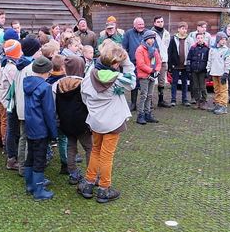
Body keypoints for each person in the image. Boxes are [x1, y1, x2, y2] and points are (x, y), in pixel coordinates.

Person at [78, 42, 135, 203]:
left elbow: (84, 96)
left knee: (96, 150)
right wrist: (128, 63)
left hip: (95, 120)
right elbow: (132, 82)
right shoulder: (118, 78)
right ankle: (104, 188)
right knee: (107, 155)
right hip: (113, 121)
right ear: (115, 63)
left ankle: (88, 184)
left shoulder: (90, 72)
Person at [23, 56, 57, 201]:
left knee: (31, 155)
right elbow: (49, 112)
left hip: (30, 125)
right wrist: (53, 132)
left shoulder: (27, 83)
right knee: (40, 158)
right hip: (41, 128)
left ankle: (30, 184)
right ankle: (39, 190)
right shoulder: (45, 87)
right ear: (46, 72)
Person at [53, 55, 91, 185]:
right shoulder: (84, 84)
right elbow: (88, 103)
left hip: (65, 122)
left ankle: (73, 173)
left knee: (71, 147)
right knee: (89, 147)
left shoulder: (58, 84)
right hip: (82, 123)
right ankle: (91, 175)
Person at [13, 37, 42, 175]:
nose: (41, 51)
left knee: (23, 136)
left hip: (21, 106)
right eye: (39, 49)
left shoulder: (20, 64)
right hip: (29, 108)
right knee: (28, 138)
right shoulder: (31, 68)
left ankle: (22, 166)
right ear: (34, 51)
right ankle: (25, 167)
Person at [0, 39, 23, 169]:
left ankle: (11, 155)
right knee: (12, 130)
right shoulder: (11, 68)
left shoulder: (5, 63)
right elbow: (17, 86)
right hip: (11, 103)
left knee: (12, 130)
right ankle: (11, 158)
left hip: (8, 102)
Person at [135, 30, 162, 125]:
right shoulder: (140, 49)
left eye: (153, 38)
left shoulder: (154, 50)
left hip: (152, 75)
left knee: (150, 95)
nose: (153, 40)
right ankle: (140, 115)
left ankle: (148, 113)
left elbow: (159, 61)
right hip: (144, 76)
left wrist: (157, 70)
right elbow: (140, 64)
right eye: (151, 38)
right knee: (144, 95)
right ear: (146, 39)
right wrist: (152, 71)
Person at [122, 17, 146, 111]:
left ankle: (146, 104)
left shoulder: (148, 33)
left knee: (145, 84)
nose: (141, 26)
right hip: (133, 64)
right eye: (139, 24)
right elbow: (124, 47)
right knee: (134, 84)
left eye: (142, 24)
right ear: (134, 25)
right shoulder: (128, 33)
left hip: (145, 64)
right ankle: (133, 104)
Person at [206, 32, 230, 115]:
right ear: (218, 40)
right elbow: (209, 60)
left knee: (223, 90)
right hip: (214, 72)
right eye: (222, 39)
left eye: (225, 39)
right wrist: (208, 70)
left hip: (222, 74)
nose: (224, 41)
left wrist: (226, 73)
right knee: (216, 89)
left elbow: (228, 62)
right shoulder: (212, 49)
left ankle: (223, 106)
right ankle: (217, 104)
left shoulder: (227, 50)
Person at [168, 22, 191, 107]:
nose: (184, 30)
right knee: (174, 82)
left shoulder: (189, 39)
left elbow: (190, 51)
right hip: (176, 65)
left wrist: (189, 63)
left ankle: (184, 99)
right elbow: (170, 52)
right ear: (178, 29)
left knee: (185, 82)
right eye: (182, 28)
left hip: (185, 65)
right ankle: (173, 99)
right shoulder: (173, 39)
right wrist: (170, 65)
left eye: (185, 29)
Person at [186, 32, 210, 110]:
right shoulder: (193, 48)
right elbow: (189, 59)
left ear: (203, 38)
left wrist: (207, 71)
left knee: (203, 87)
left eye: (201, 38)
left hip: (203, 71)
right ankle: (197, 101)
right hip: (194, 71)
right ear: (196, 39)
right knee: (195, 87)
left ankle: (204, 101)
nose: (200, 39)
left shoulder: (207, 49)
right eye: (198, 38)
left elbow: (209, 60)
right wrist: (189, 69)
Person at [152, 16, 172, 108]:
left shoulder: (166, 33)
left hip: (163, 60)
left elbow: (166, 46)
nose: (160, 23)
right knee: (151, 80)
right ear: (154, 23)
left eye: (162, 21)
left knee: (162, 81)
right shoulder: (151, 33)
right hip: (153, 60)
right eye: (158, 22)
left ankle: (161, 100)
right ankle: (150, 101)